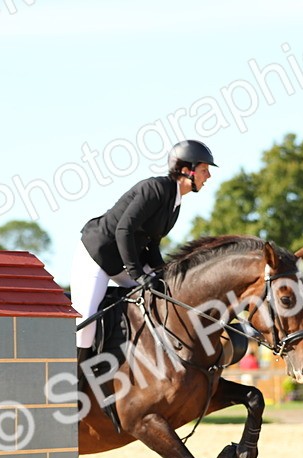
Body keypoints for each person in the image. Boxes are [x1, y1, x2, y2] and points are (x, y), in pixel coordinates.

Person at [71, 139, 217, 361]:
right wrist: (138, 274)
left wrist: (163, 273)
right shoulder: (155, 189)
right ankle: (76, 379)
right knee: (86, 324)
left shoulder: (174, 204)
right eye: (204, 170)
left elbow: (152, 245)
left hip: (123, 260)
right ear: (187, 171)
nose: (208, 177)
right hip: (97, 257)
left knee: (163, 294)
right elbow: (123, 230)